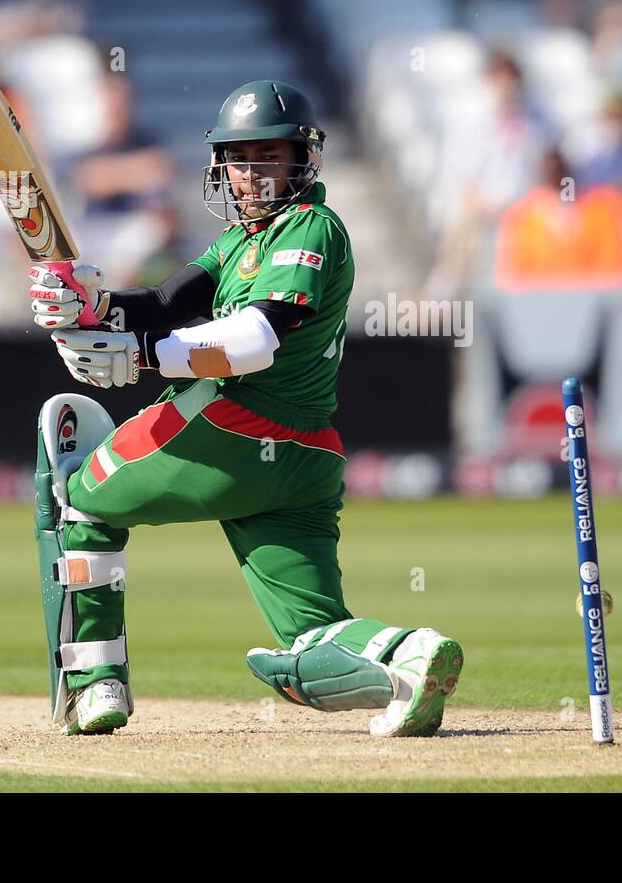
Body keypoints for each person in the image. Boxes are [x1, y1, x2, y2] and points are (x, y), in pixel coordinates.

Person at [25, 81, 463, 738]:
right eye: (239, 157)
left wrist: (141, 353)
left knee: (78, 495)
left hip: (229, 429)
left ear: (302, 159)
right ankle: (411, 654)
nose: (252, 173)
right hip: (305, 461)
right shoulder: (237, 243)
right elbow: (166, 302)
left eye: (268, 156)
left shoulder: (313, 227)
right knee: (312, 634)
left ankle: (94, 684)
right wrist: (91, 303)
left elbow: (256, 339)